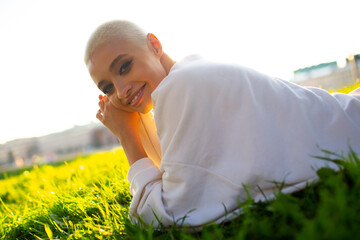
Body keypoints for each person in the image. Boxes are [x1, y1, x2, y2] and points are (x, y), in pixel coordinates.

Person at [84, 20, 360, 228]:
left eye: (124, 67)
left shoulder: (183, 86)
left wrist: (127, 136)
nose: (120, 92)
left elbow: (164, 213)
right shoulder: (185, 74)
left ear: (154, 45)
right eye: (107, 87)